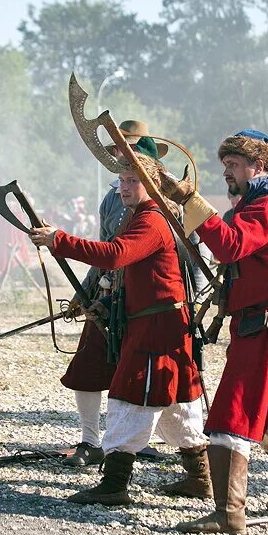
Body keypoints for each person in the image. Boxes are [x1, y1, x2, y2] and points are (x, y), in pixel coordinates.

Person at [159, 129, 268, 535]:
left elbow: (230, 245)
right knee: (265, 414)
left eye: (233, 165)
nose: (227, 173)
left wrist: (188, 199)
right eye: (225, 166)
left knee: (231, 413)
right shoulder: (255, 203)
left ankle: (229, 513)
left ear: (260, 166)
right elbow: (226, 242)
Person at [30, 153, 209, 506]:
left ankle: (114, 484)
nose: (124, 187)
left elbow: (114, 255)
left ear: (153, 183)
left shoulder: (153, 220)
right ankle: (199, 477)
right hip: (154, 324)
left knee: (133, 398)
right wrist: (108, 303)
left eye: (133, 181)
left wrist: (59, 240)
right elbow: (129, 272)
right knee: (174, 403)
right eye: (123, 181)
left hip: (159, 329)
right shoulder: (138, 216)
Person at [59, 120, 166, 468]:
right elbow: (106, 251)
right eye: (120, 150)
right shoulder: (111, 198)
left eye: (132, 151)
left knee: (152, 377)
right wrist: (86, 292)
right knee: (88, 367)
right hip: (110, 298)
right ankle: (90, 441)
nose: (123, 156)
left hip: (150, 304)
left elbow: (186, 255)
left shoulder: (167, 204)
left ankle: (142, 443)